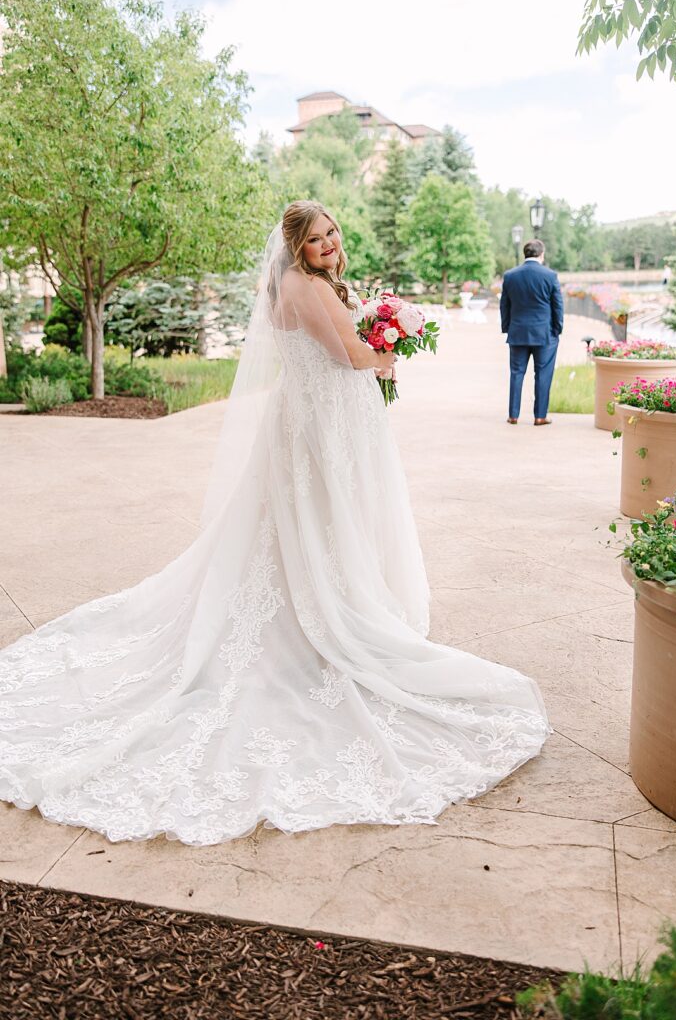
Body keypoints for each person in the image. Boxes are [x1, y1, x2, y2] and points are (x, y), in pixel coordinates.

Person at [0, 201, 551, 847]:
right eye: (315, 238)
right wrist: (386, 350)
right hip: (324, 424)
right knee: (319, 519)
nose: (327, 243)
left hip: (316, 420)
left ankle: (331, 590)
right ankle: (329, 610)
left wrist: (380, 336)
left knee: (308, 521)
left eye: (332, 233)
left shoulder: (292, 285)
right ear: (295, 246)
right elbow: (347, 356)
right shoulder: (303, 285)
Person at [500, 239, 564, 426]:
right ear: (541, 254)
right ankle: (540, 416)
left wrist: (507, 328)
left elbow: (505, 305)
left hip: (518, 332)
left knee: (517, 373)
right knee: (543, 374)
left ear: (525, 254)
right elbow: (557, 306)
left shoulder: (510, 276)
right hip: (544, 334)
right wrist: (557, 330)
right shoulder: (550, 275)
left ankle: (513, 415)